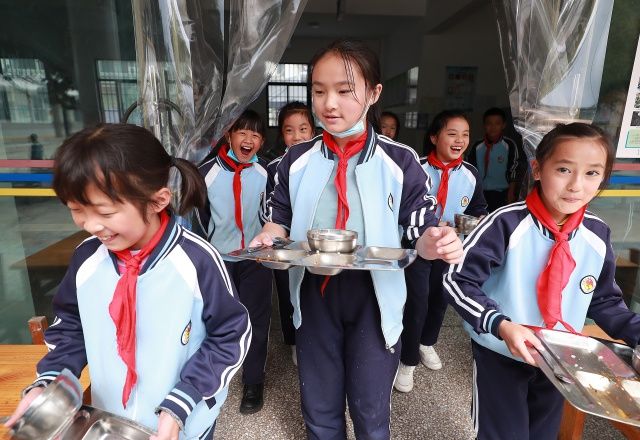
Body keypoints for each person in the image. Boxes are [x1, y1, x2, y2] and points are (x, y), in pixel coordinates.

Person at [252, 39, 463, 440]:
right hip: (315, 293)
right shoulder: (295, 161)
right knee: (318, 406)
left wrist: (435, 242)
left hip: (375, 297)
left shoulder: (401, 161)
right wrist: (269, 236)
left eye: (344, 91)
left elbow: (420, 224)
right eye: (318, 91)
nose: (329, 103)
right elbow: (278, 217)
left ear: (373, 93)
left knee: (370, 410)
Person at [4, 124, 251, 440]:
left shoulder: (195, 261)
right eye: (77, 210)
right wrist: (49, 383)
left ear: (158, 200)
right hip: (111, 419)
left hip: (182, 419)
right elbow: (70, 327)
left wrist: (181, 403)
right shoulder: (87, 260)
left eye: (105, 212)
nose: (91, 225)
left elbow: (230, 334)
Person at [443, 123, 640, 439]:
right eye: (564, 169)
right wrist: (501, 324)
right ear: (537, 169)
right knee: (502, 434)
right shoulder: (505, 223)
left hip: (560, 360)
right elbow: (457, 279)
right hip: (502, 354)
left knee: (543, 433)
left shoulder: (597, 235)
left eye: (591, 173)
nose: (576, 185)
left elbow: (604, 301)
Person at [395, 110, 487, 393]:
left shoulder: (470, 174)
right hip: (418, 247)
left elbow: (478, 209)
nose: (460, 140)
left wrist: (472, 224)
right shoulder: (416, 168)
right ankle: (407, 360)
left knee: (440, 299)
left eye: (465, 134)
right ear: (434, 137)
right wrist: (430, 225)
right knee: (416, 302)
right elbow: (398, 208)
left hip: (450, 249)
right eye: (452, 133)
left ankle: (427, 343)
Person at [195, 110, 272, 415]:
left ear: (262, 141)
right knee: (217, 322)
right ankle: (212, 378)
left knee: (257, 323)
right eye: (242, 132)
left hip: (255, 260)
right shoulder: (205, 173)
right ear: (228, 136)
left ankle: (253, 382)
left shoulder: (265, 173)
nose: (248, 139)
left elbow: (272, 216)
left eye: (255, 134)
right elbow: (197, 221)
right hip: (219, 262)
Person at [261, 101, 315, 366]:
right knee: (286, 292)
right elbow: (269, 208)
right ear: (281, 134)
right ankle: (293, 340)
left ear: (313, 130)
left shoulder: (322, 162)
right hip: (286, 242)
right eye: (289, 130)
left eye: (303, 128)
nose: (297, 136)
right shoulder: (274, 167)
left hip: (314, 242)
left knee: (312, 290)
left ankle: (312, 337)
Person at [467, 107, 521, 211]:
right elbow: (470, 170)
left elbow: (513, 171)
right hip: (480, 194)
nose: (493, 127)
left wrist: (510, 196)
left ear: (503, 125)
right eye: (489, 123)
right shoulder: (477, 146)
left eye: (497, 123)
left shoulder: (509, 145)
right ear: (484, 125)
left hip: (502, 194)